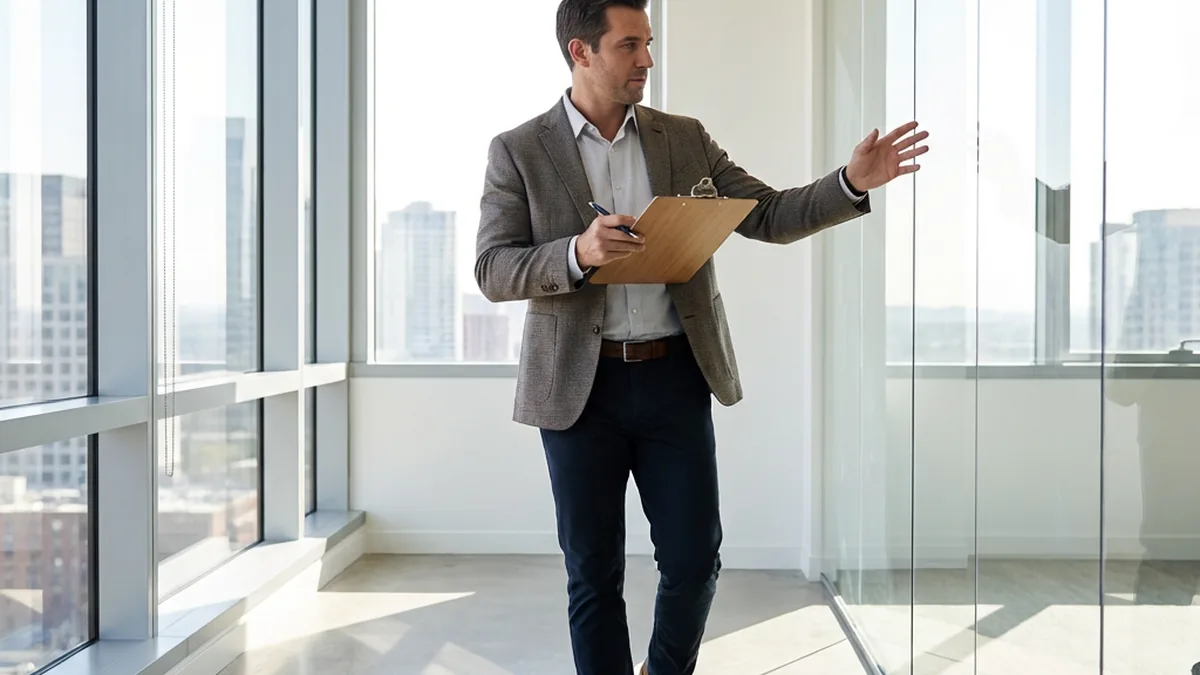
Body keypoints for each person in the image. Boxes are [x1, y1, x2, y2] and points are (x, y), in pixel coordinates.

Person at [474, 1, 928, 673]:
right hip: (578, 389)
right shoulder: (518, 150)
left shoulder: (682, 138)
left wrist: (850, 183)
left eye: (649, 43)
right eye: (630, 46)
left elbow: (767, 213)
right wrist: (577, 252)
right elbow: (492, 268)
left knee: (694, 559)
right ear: (581, 52)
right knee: (592, 571)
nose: (647, 61)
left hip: (674, 378)